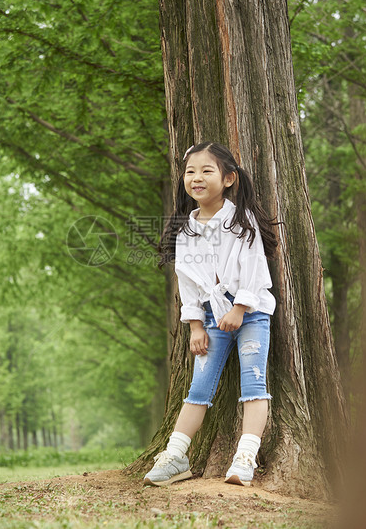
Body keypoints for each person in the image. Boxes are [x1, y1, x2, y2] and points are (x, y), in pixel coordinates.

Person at [144, 141, 279, 487]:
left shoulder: (240, 218)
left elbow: (255, 267)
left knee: (254, 384)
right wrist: (194, 327)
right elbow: (186, 283)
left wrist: (239, 307)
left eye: (206, 170)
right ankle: (176, 455)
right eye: (190, 172)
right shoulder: (184, 230)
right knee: (198, 387)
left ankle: (245, 456)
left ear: (229, 178)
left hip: (250, 312)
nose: (196, 178)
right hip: (211, 316)